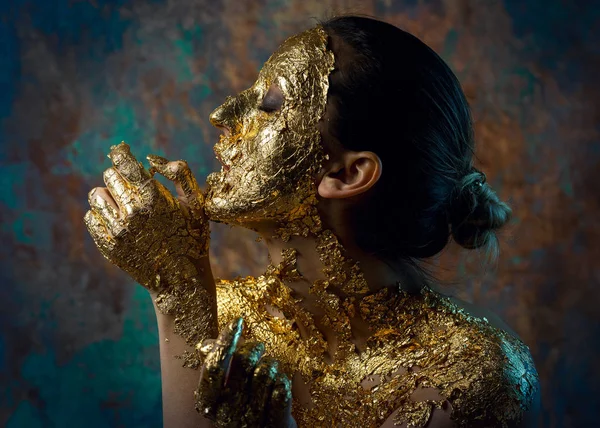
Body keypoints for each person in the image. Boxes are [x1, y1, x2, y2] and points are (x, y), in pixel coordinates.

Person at [84, 16, 540, 428]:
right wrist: (178, 292)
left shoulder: (472, 379)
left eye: (270, 105)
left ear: (346, 173)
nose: (222, 115)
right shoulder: (219, 318)